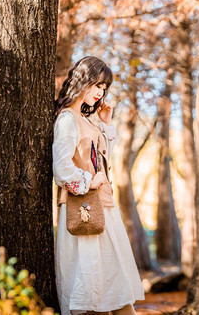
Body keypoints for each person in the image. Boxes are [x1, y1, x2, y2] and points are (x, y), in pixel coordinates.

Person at [53, 56, 144, 315]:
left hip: (103, 208)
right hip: (84, 212)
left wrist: (105, 124)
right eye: (97, 86)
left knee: (116, 286)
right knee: (94, 291)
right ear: (83, 81)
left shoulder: (88, 120)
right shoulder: (68, 120)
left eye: (104, 88)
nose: (100, 93)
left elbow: (102, 161)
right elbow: (61, 169)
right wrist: (89, 182)